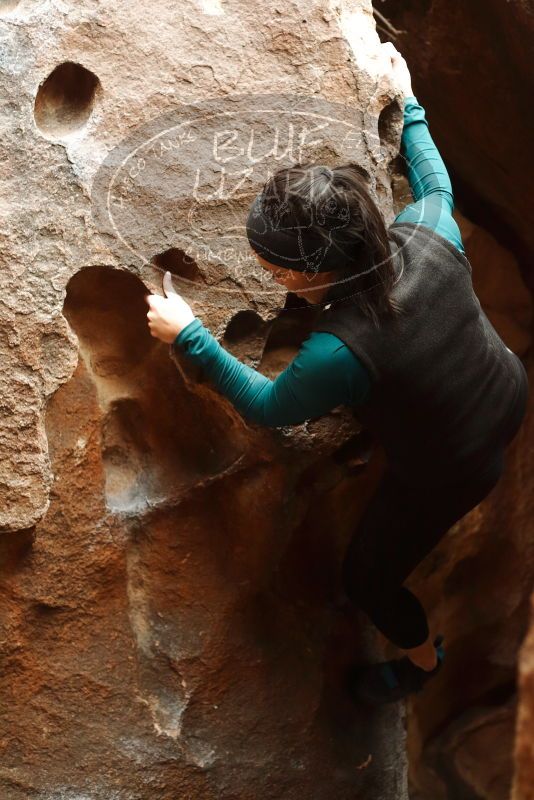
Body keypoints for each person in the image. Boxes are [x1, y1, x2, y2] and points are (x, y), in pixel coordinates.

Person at [145, 43, 529, 704]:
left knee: (370, 578)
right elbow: (435, 180)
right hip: (507, 391)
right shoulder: (429, 225)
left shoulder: (339, 353)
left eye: (272, 267)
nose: (268, 274)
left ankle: (420, 662)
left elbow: (269, 406)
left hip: (455, 465)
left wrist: (194, 339)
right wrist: (408, 103)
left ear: (302, 275)